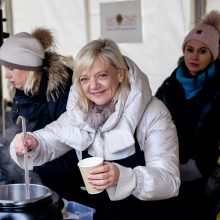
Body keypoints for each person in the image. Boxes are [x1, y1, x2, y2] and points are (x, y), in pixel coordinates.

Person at [9, 38, 180, 220]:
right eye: (84, 79)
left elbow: (169, 180)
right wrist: (29, 142)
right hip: (101, 213)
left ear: (120, 74)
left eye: (102, 75)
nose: (93, 86)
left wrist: (125, 177)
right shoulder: (82, 111)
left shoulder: (152, 112)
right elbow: (49, 139)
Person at [155, 10, 220, 219]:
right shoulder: (171, 82)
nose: (194, 56)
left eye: (203, 51)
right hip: (169, 168)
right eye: (190, 49)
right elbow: (152, 116)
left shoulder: (218, 87)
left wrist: (205, 166)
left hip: (202, 174)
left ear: (213, 54)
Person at [0, 27, 77, 198]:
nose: (6, 75)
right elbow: (17, 133)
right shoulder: (23, 90)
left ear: (28, 66)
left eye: (11, 68)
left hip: (64, 187)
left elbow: (72, 154)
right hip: (35, 177)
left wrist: (25, 164)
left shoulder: (64, 92)